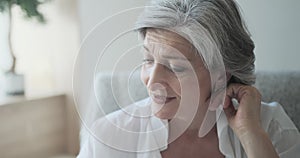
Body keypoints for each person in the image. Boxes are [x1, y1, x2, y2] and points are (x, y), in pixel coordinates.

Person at [77, 0, 300, 157]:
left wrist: (252, 136)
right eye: (147, 59)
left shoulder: (270, 128)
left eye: (175, 67)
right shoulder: (108, 138)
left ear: (221, 76)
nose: (152, 81)